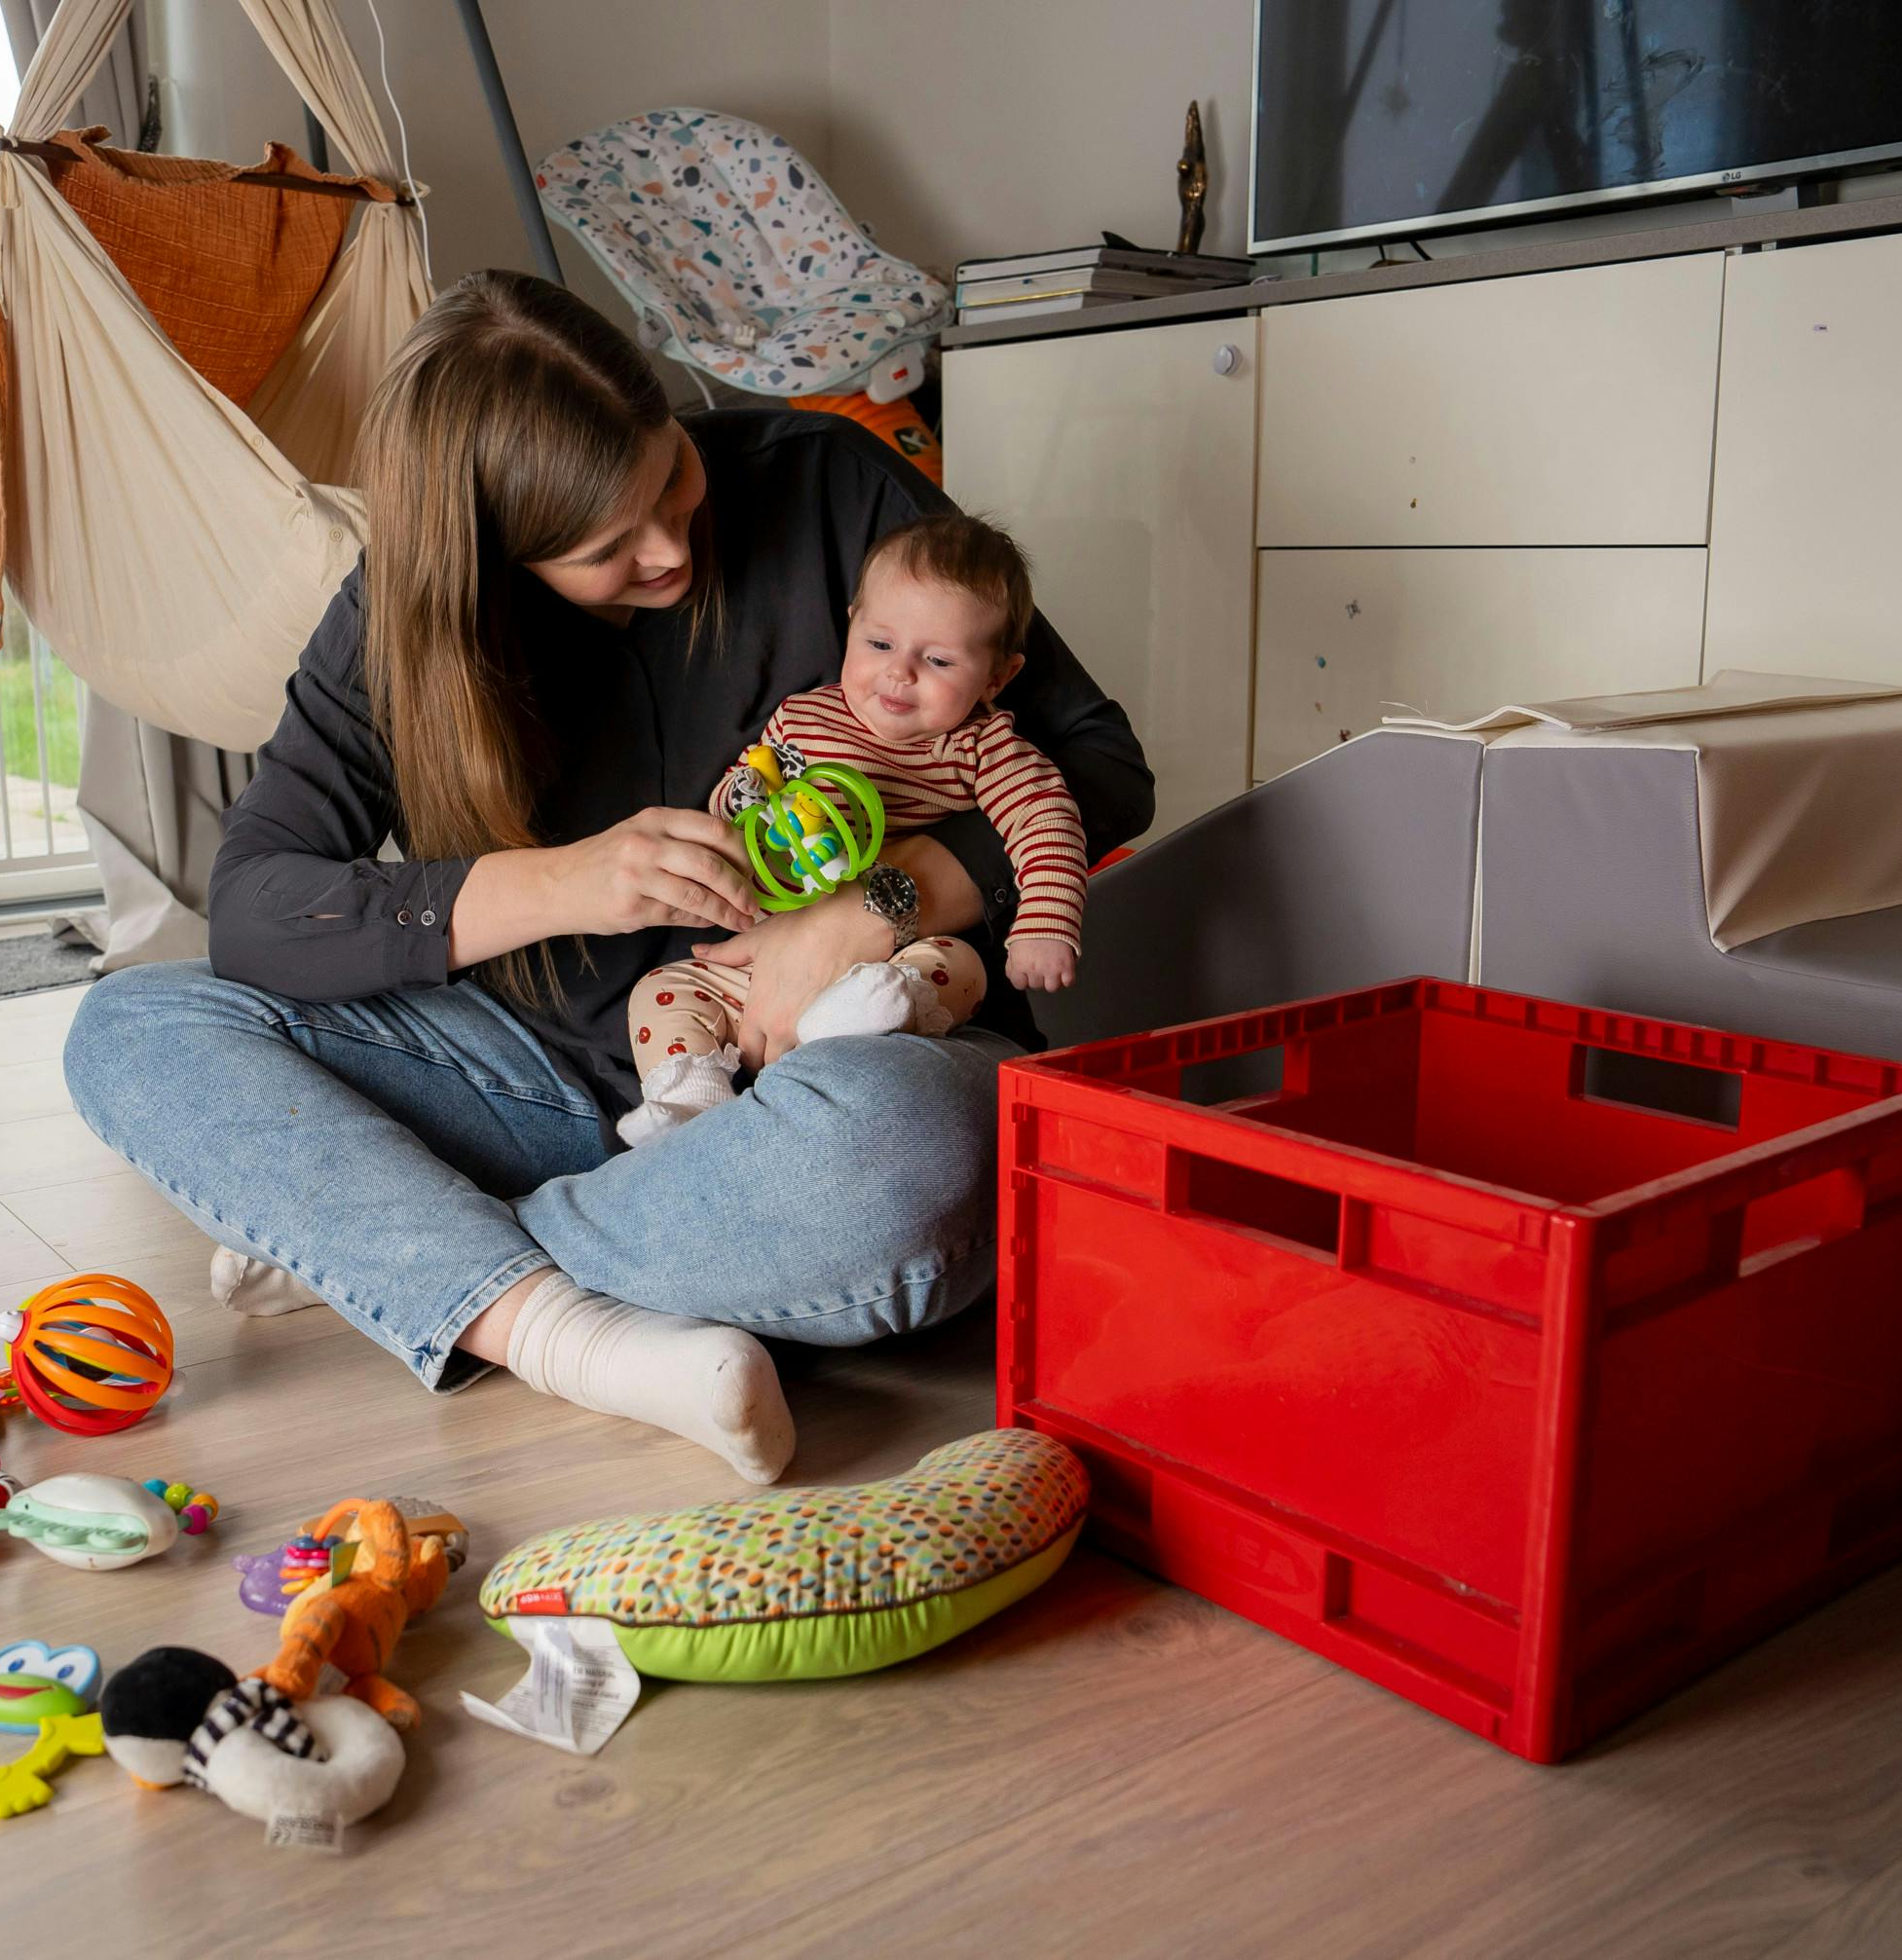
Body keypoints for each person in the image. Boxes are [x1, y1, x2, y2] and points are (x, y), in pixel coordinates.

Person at [61, 272, 1151, 1485]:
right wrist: (567, 884)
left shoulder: (826, 484)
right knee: (132, 1028)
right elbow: (258, 910)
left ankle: (398, 1251)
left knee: (911, 1153)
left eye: (669, 475)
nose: (670, 547)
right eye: (604, 546)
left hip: (844, 1064)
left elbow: (1101, 767)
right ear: (499, 554)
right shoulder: (400, 626)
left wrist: (865, 911)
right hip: (543, 1082)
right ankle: (565, 1329)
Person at [617, 511, 1088, 1147]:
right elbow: (740, 800)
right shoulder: (804, 717)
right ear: (851, 624)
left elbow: (1046, 818)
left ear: (997, 677)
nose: (900, 672)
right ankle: (690, 1099)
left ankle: (861, 1016)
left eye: (939, 659)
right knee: (662, 989)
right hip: (770, 955)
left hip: (893, 959)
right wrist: (741, 795)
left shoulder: (981, 748)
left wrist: (1045, 923)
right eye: (880, 644)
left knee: (964, 970)